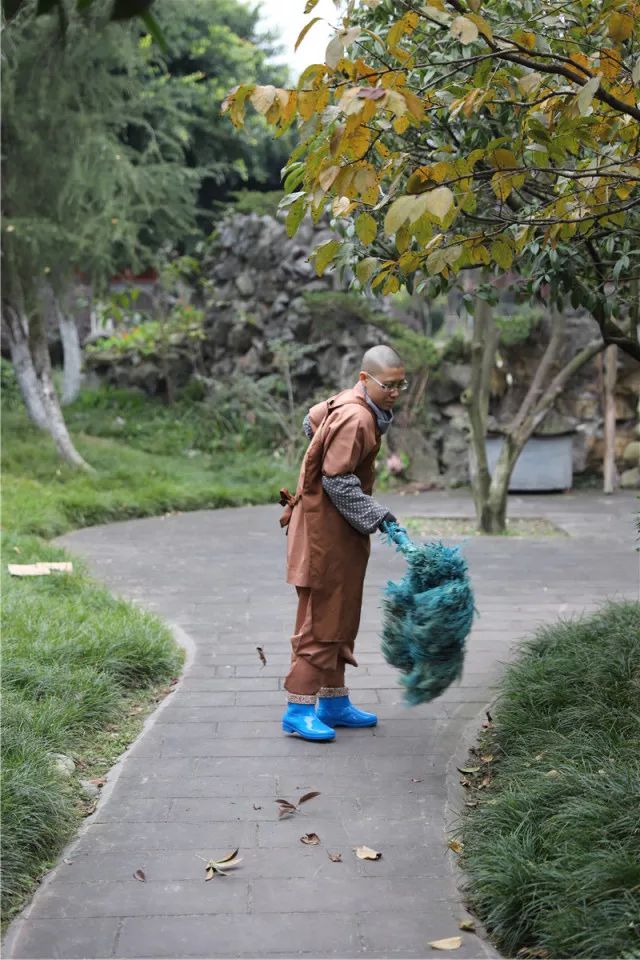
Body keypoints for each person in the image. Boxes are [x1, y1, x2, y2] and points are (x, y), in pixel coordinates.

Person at [278, 345, 407, 741]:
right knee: (321, 620)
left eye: (402, 385)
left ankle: (333, 702)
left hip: (338, 531)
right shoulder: (357, 417)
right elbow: (337, 481)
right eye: (389, 385)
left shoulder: (351, 403)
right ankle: (298, 709)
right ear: (365, 379)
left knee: (340, 612)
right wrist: (379, 516)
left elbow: (311, 421)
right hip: (324, 535)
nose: (396, 393)